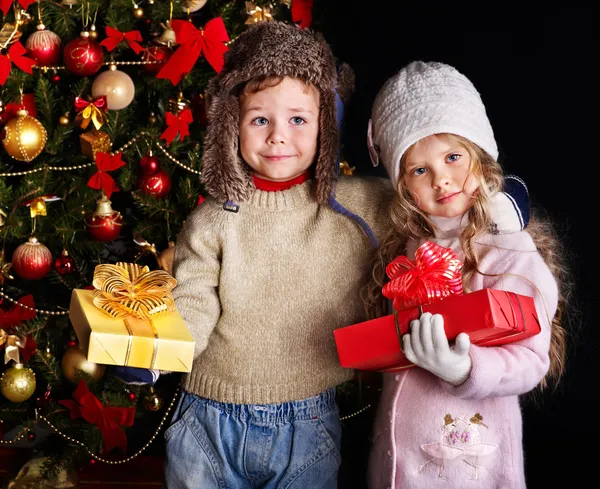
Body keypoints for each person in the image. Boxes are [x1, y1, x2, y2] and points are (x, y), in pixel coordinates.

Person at [161, 21, 393, 489]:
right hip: (209, 417)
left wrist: (491, 199)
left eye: (298, 119)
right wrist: (157, 353)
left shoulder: (358, 207)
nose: (278, 137)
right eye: (259, 119)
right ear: (232, 124)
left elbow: (424, 200)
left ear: (328, 125)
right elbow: (194, 297)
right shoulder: (214, 220)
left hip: (307, 422)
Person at [364, 60, 569, 489]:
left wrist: (463, 368)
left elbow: (531, 360)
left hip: (467, 467)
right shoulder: (408, 249)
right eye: (420, 170)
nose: (442, 180)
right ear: (402, 186)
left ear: (480, 157)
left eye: (453, 157)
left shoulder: (506, 250)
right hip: (398, 466)